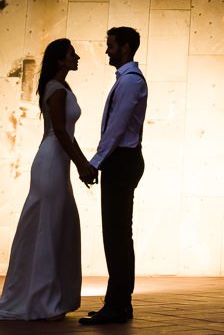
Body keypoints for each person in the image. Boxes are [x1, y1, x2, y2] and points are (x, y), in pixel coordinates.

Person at [0, 38, 96, 320]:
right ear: (60, 60)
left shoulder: (61, 87)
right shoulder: (56, 89)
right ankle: (42, 297)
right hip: (52, 159)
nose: (77, 58)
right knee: (48, 225)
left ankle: (50, 296)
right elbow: (60, 131)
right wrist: (82, 163)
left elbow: (63, 132)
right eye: (72, 54)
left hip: (56, 160)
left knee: (56, 224)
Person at [80, 25, 148, 326]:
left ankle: (118, 305)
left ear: (125, 47)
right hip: (120, 160)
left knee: (117, 235)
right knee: (117, 235)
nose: (106, 50)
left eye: (110, 45)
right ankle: (118, 303)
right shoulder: (126, 80)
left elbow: (117, 127)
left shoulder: (131, 82)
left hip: (122, 161)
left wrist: (95, 162)